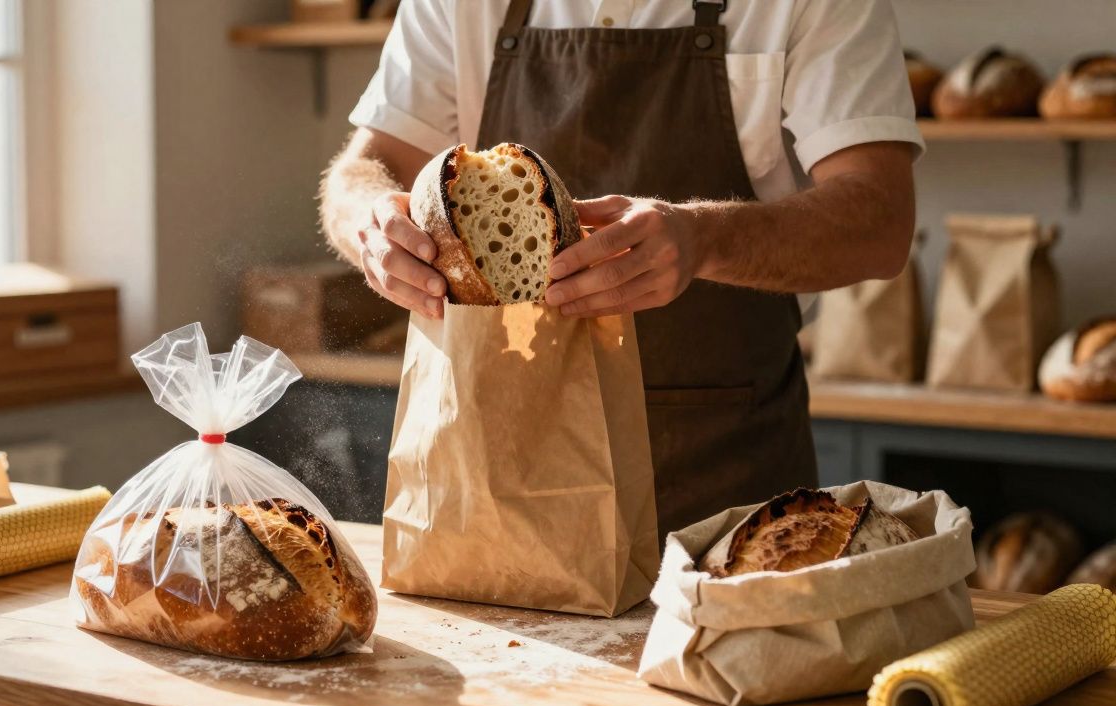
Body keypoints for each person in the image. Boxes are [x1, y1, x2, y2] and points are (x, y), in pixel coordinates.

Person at [319, 0, 920, 535]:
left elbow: (881, 217)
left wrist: (705, 239)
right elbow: (364, 171)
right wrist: (368, 223)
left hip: (725, 491)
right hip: (504, 468)